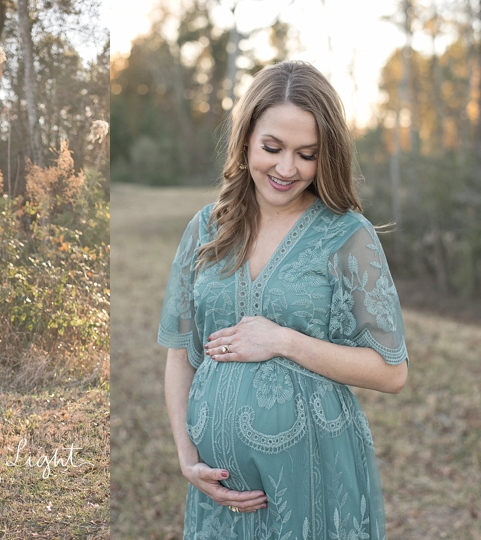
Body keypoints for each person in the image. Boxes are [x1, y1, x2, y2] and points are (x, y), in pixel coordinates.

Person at [159, 61, 408, 539]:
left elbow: (391, 370)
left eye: (307, 154)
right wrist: (188, 458)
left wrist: (282, 340)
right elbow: (181, 354)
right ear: (247, 137)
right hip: (220, 500)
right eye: (272, 148)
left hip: (313, 483)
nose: (287, 168)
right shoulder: (207, 229)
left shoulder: (346, 234)